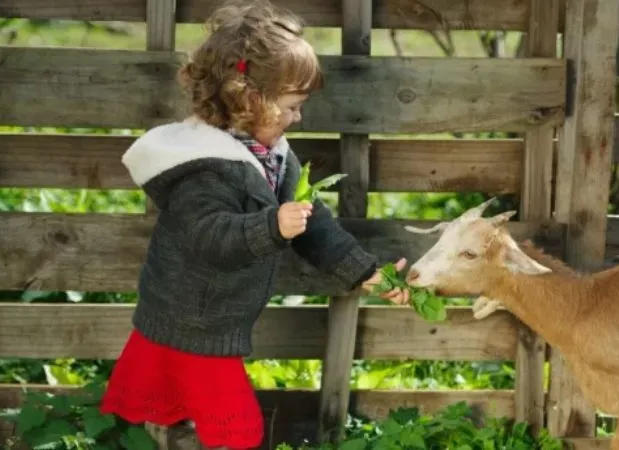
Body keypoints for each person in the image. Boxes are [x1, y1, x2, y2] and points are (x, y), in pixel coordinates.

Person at [98, 1, 410, 448]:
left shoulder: (273, 156)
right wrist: (271, 226)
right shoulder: (201, 168)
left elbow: (314, 225)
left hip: (216, 321)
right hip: (195, 321)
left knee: (195, 423)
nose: (298, 117)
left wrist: (366, 273)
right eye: (291, 106)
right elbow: (211, 237)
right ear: (248, 100)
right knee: (236, 431)